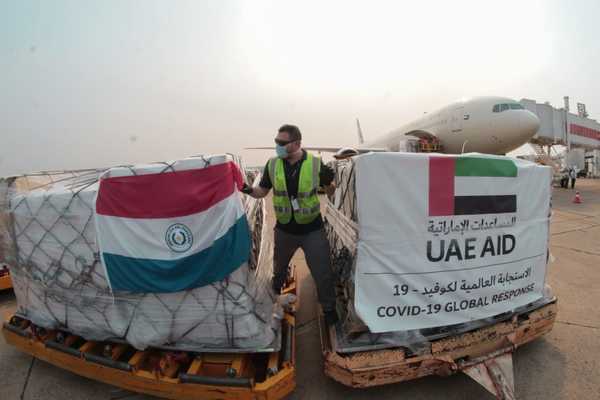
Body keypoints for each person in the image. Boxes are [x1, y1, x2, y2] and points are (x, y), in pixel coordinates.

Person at [241, 124, 339, 326]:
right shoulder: (272, 164)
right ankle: (272, 302)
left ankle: (328, 309)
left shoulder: (314, 164)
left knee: (322, 272)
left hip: (312, 229)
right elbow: (262, 192)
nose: (277, 146)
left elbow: (330, 192)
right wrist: (247, 189)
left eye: (281, 143)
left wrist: (329, 183)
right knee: (278, 270)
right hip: (285, 230)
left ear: (296, 144)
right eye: (276, 141)